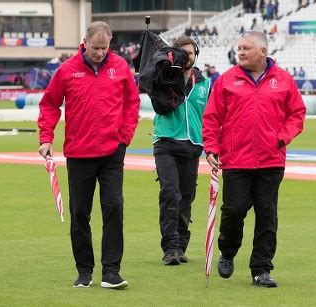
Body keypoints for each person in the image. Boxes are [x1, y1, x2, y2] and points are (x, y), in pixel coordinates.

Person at [37, 21, 140, 289]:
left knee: (114, 207)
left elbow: (132, 102)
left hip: (112, 152)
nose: (100, 53)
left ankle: (111, 272)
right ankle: (84, 271)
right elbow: (50, 104)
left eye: (105, 48)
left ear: (110, 44)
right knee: (80, 212)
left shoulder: (119, 67)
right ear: (85, 42)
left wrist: (125, 137)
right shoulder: (67, 70)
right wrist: (45, 138)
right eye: (95, 48)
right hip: (79, 153)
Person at [202, 31, 306, 288]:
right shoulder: (227, 80)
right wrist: (212, 149)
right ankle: (227, 251)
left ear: (263, 51)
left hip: (271, 159)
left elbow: (297, 113)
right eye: (239, 48)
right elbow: (212, 117)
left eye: (246, 48)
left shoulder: (283, 80)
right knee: (234, 210)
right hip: (236, 158)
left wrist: (281, 137)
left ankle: (261, 269)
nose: (241, 52)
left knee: (267, 214)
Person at [153, 36, 211, 265]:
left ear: (196, 53)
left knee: (186, 197)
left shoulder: (205, 83)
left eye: (190, 53)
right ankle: (170, 247)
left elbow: (210, 115)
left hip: (193, 145)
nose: (187, 57)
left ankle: (181, 244)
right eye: (182, 53)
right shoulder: (164, 76)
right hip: (166, 142)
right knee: (170, 193)